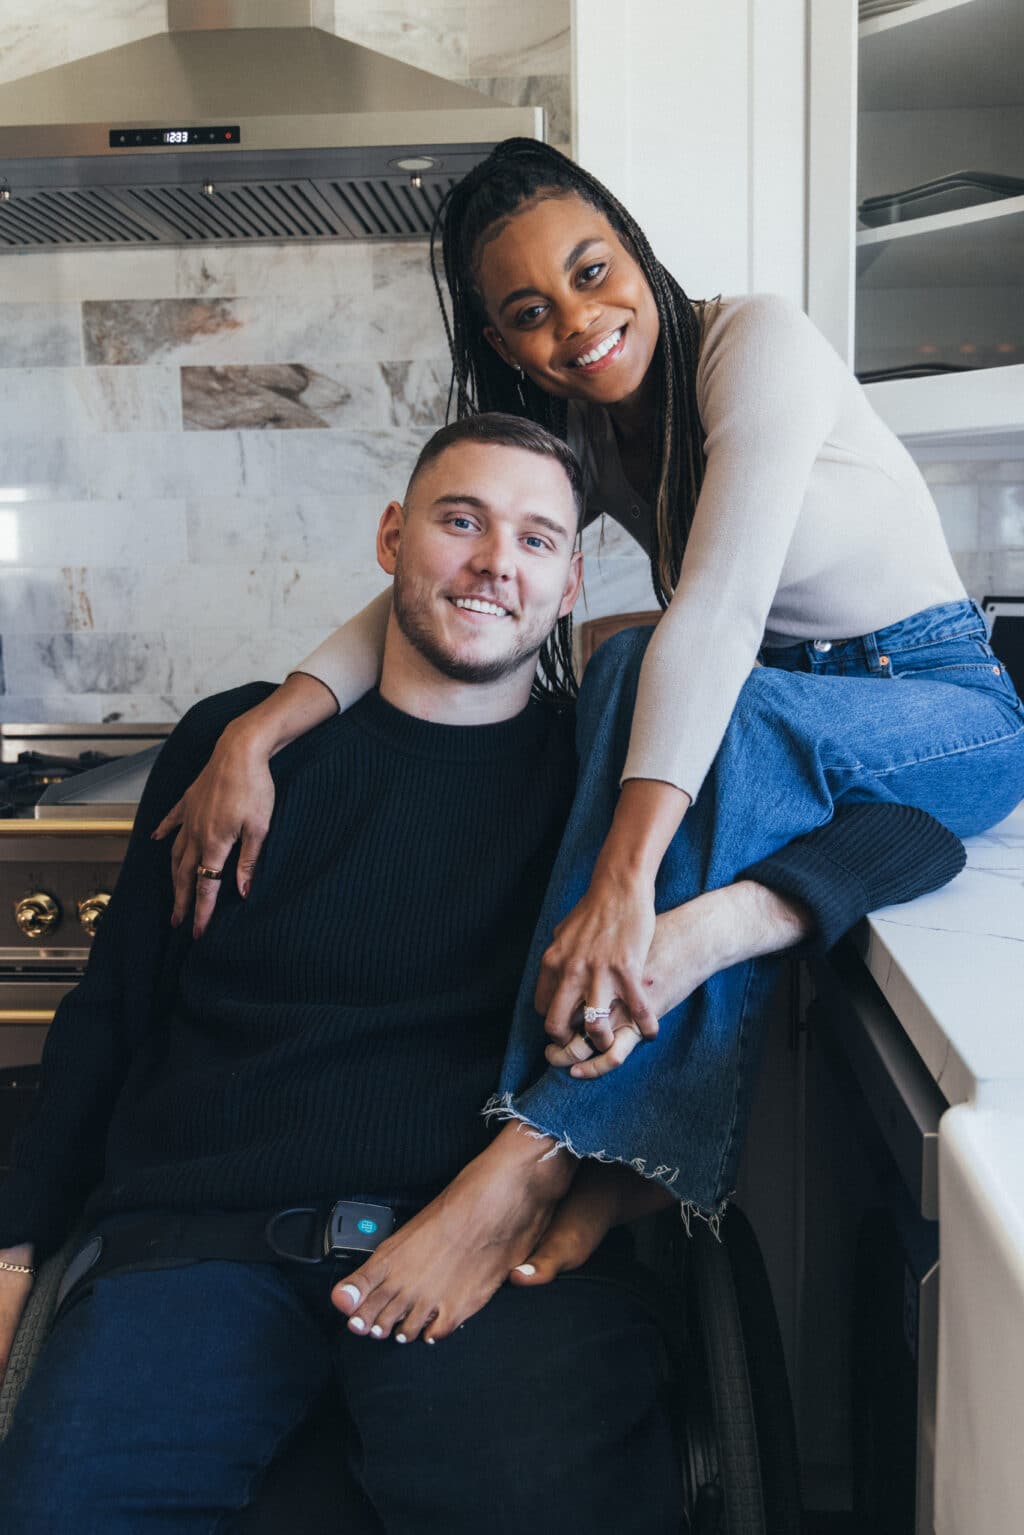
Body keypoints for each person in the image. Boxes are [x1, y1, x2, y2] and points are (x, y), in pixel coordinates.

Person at [0, 416, 693, 1533]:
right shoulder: (236, 747)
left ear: (567, 585)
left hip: (488, 1254)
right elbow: (112, 1011)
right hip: (198, 1244)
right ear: (391, 537)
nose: (490, 563)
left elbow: (870, 802)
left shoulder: (604, 781)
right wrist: (12, 1246)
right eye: (459, 520)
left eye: (533, 539)